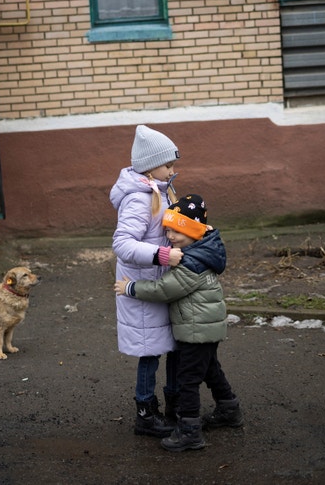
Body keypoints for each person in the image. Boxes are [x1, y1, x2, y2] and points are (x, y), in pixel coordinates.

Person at [114, 193, 244, 452]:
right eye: (168, 230)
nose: (170, 237)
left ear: (194, 232)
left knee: (187, 380)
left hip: (196, 330)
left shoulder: (191, 263)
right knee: (210, 370)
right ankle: (229, 409)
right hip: (206, 327)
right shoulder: (203, 251)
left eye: (177, 231)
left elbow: (164, 289)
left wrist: (131, 287)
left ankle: (189, 431)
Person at [109, 125, 184, 438]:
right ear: (151, 165)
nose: (173, 169)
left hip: (160, 286)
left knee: (174, 346)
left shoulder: (159, 191)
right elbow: (123, 244)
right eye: (168, 164)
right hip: (143, 288)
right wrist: (164, 256)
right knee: (150, 352)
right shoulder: (139, 198)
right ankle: (145, 413)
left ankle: (175, 405)